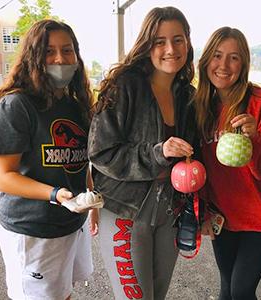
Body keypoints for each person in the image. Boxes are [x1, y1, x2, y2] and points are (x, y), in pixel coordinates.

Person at [87, 6, 197, 300]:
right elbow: (101, 152)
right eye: (160, 41)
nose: (170, 49)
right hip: (125, 211)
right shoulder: (125, 86)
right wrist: (158, 152)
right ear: (147, 44)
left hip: (169, 211)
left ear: (188, 42)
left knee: (155, 295)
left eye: (178, 39)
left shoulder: (186, 95)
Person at [0, 20, 97, 300]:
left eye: (67, 51)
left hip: (70, 223)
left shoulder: (76, 104)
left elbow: (79, 161)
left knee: (62, 292)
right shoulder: (17, 105)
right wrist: (54, 194)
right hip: (33, 230)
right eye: (49, 51)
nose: (59, 59)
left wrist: (92, 199)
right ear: (33, 56)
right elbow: (3, 176)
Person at [194, 27, 261, 300]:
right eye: (217, 55)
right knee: (227, 287)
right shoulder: (199, 105)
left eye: (233, 58)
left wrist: (255, 140)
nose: (223, 65)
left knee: (241, 290)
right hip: (223, 216)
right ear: (205, 60)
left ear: (244, 64)